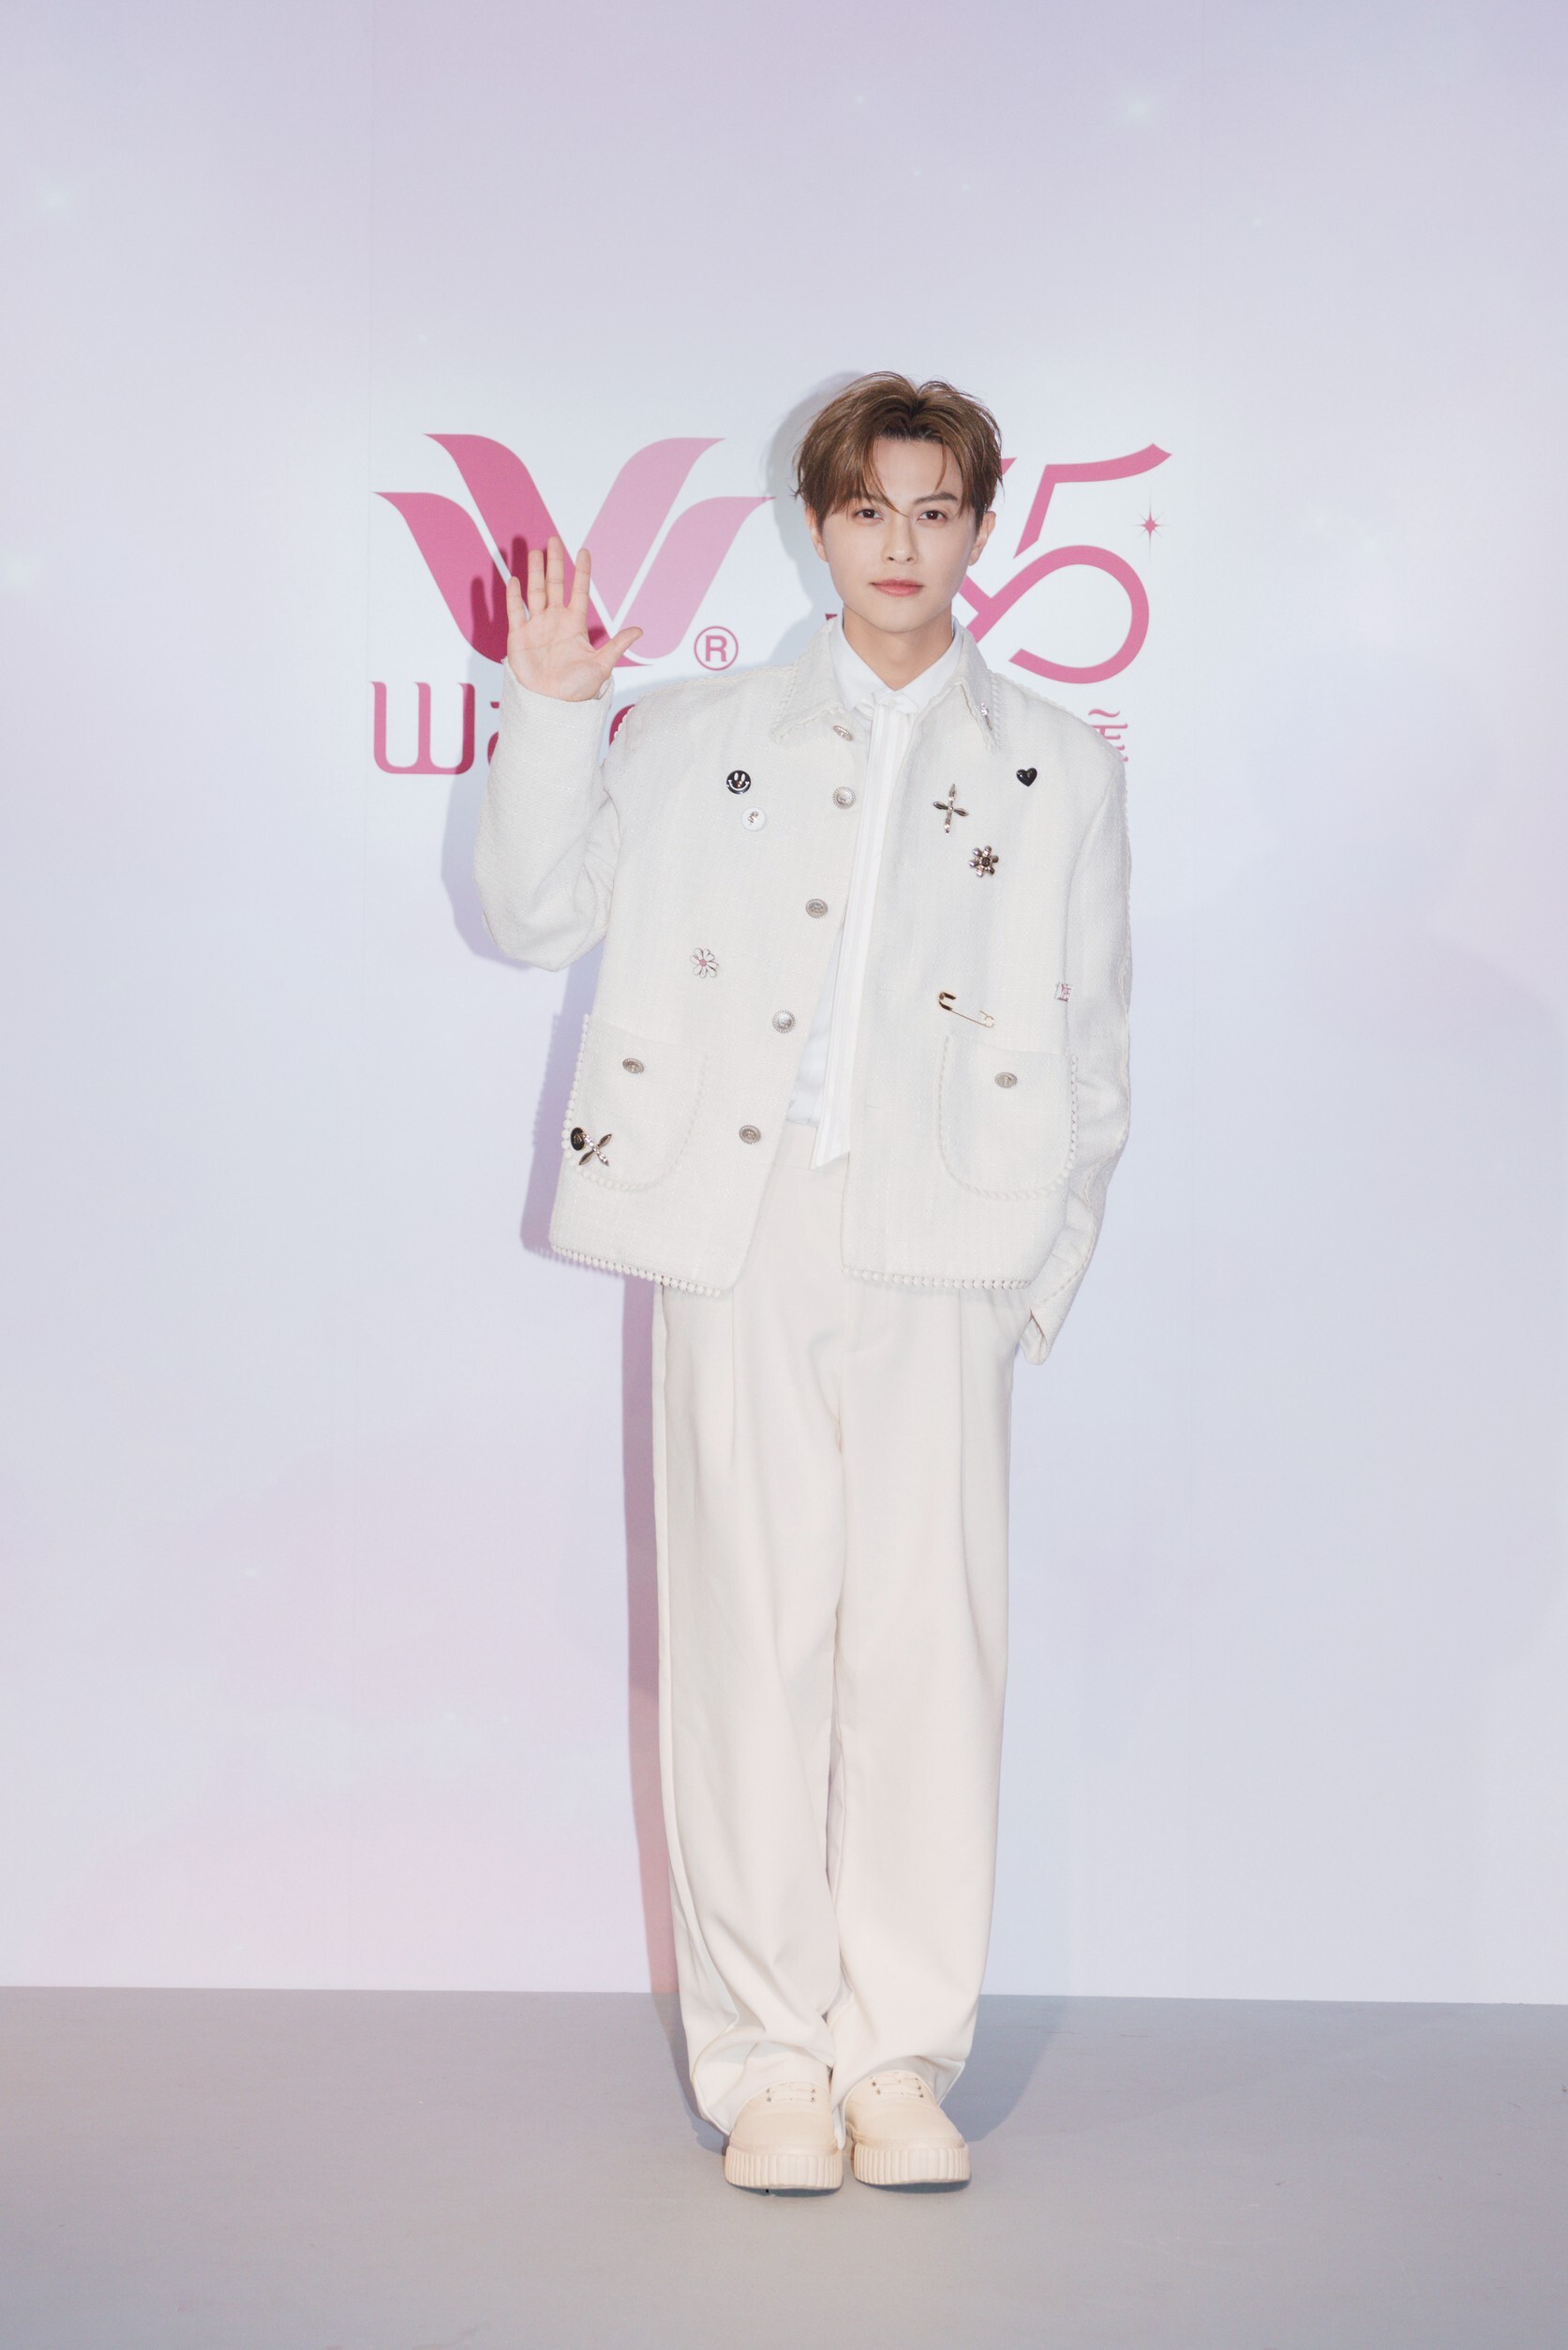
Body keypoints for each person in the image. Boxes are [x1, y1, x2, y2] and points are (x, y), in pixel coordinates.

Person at [474, 373, 1132, 2193]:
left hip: (951, 1234)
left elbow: (1095, 1045)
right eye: (867, 509)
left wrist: (1035, 1276)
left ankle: (897, 2061)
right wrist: (554, 711)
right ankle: (769, 2060)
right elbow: (533, 913)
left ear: (979, 527)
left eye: (935, 510)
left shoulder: (1059, 767)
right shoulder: (693, 732)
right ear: (818, 523)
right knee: (744, 1643)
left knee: (931, 1655)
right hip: (739, 1223)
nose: (899, 545)